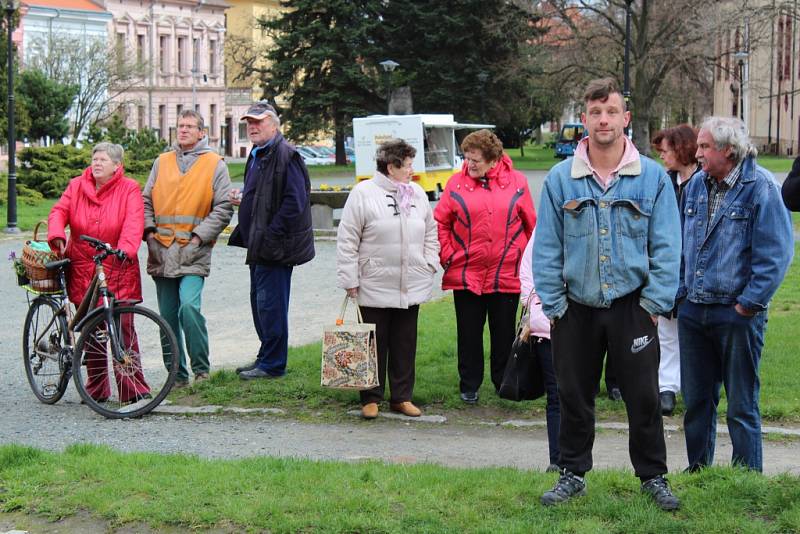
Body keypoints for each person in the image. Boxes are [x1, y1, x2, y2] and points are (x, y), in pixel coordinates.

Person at [534, 78, 681, 511]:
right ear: (584, 120)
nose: (604, 120)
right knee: (573, 395)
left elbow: (668, 248)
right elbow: (546, 249)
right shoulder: (562, 179)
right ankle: (572, 473)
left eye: (611, 112)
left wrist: (652, 307)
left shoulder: (651, 177)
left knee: (644, 398)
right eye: (596, 113)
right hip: (574, 309)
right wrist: (556, 307)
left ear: (625, 119)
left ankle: (653, 477)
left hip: (633, 308)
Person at [678, 116, 794, 472]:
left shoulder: (761, 187)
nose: (696, 153)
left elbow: (776, 254)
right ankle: (698, 471)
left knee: (742, 403)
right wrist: (682, 296)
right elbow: (683, 245)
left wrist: (748, 304)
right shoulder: (696, 185)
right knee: (697, 401)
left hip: (737, 314)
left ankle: (745, 477)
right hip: (695, 311)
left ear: (728, 151)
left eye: (704, 146)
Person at [336, 139, 439, 419]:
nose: (412, 170)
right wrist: (350, 277)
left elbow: (431, 231)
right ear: (391, 167)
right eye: (407, 165)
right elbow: (347, 239)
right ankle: (370, 397)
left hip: (410, 281)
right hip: (374, 282)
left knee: (405, 342)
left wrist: (429, 262)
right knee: (373, 341)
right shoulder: (363, 193)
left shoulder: (416, 193)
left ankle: (401, 397)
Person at [433, 129, 536, 404]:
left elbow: (531, 225)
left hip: (506, 273)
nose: (469, 165)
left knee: (503, 333)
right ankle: (469, 384)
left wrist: (522, 259)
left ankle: (503, 381)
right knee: (468, 333)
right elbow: (440, 222)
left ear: (493, 160)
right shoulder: (455, 184)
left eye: (475, 160)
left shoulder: (518, 183)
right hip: (465, 272)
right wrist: (448, 254)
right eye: (466, 159)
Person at [47, 142, 149, 403]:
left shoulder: (129, 189)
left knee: (123, 326)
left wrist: (126, 249)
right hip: (83, 266)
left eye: (103, 159)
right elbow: (59, 211)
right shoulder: (76, 186)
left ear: (117, 165)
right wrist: (57, 233)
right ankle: (96, 389)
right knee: (93, 329)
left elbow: (134, 222)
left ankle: (131, 389)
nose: (97, 163)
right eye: (94, 158)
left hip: (117, 265)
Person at [143, 110, 233, 388]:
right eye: (180, 126)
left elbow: (224, 207)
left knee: (189, 308)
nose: (183, 130)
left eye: (189, 127)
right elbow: (146, 200)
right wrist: (149, 234)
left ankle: (201, 370)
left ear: (201, 133)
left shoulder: (215, 164)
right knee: (167, 317)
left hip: (194, 251)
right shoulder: (161, 162)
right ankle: (176, 376)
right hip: (161, 250)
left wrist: (198, 238)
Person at [228, 101, 315, 380]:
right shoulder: (257, 153)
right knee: (260, 303)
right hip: (259, 244)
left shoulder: (287, 155)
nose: (252, 127)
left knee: (271, 305)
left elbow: (296, 202)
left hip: (274, 247)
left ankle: (273, 365)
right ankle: (266, 357)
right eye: (249, 123)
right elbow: (265, 195)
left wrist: (270, 233)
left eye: (258, 122)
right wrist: (242, 199)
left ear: (274, 125)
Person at [651, 124, 702, 416]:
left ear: (681, 149)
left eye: (666, 150)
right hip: (669, 267)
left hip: (695, 270)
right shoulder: (664, 182)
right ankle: (667, 388)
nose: (662, 156)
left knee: (692, 334)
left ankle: (694, 386)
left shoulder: (704, 180)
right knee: (667, 331)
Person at [519, 229, 560, 471]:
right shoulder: (545, 225)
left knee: (577, 395)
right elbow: (527, 270)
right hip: (547, 326)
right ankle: (557, 461)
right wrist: (535, 308)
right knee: (555, 395)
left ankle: (577, 461)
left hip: (582, 327)